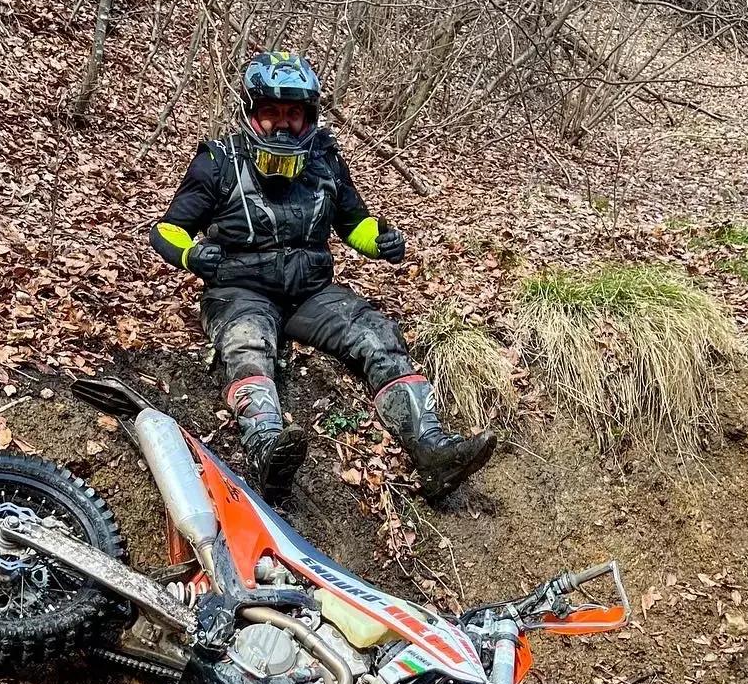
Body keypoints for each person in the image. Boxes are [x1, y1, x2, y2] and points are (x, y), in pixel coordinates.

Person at [149, 50, 496, 503]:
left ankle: (432, 449)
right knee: (247, 344)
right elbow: (166, 229)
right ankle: (265, 450)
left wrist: (382, 243)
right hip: (239, 291)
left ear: (309, 116)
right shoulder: (218, 160)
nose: (283, 123)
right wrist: (193, 256)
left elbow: (354, 223)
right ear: (252, 112)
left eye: (293, 113)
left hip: (311, 293)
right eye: (272, 112)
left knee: (378, 335)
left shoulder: (325, 161)